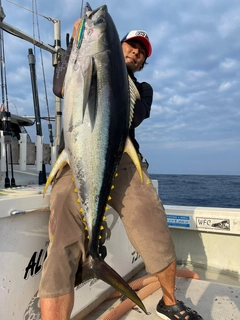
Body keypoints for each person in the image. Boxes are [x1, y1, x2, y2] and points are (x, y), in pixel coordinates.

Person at [38, 19, 203, 320]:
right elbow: (61, 86)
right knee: (62, 217)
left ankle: (169, 301)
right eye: (132, 45)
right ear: (116, 45)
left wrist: (115, 74)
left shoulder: (143, 89)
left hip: (122, 157)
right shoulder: (83, 63)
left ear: (143, 63)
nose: (137, 52)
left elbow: (134, 116)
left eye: (142, 52)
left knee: (150, 214)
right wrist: (75, 48)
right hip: (77, 154)